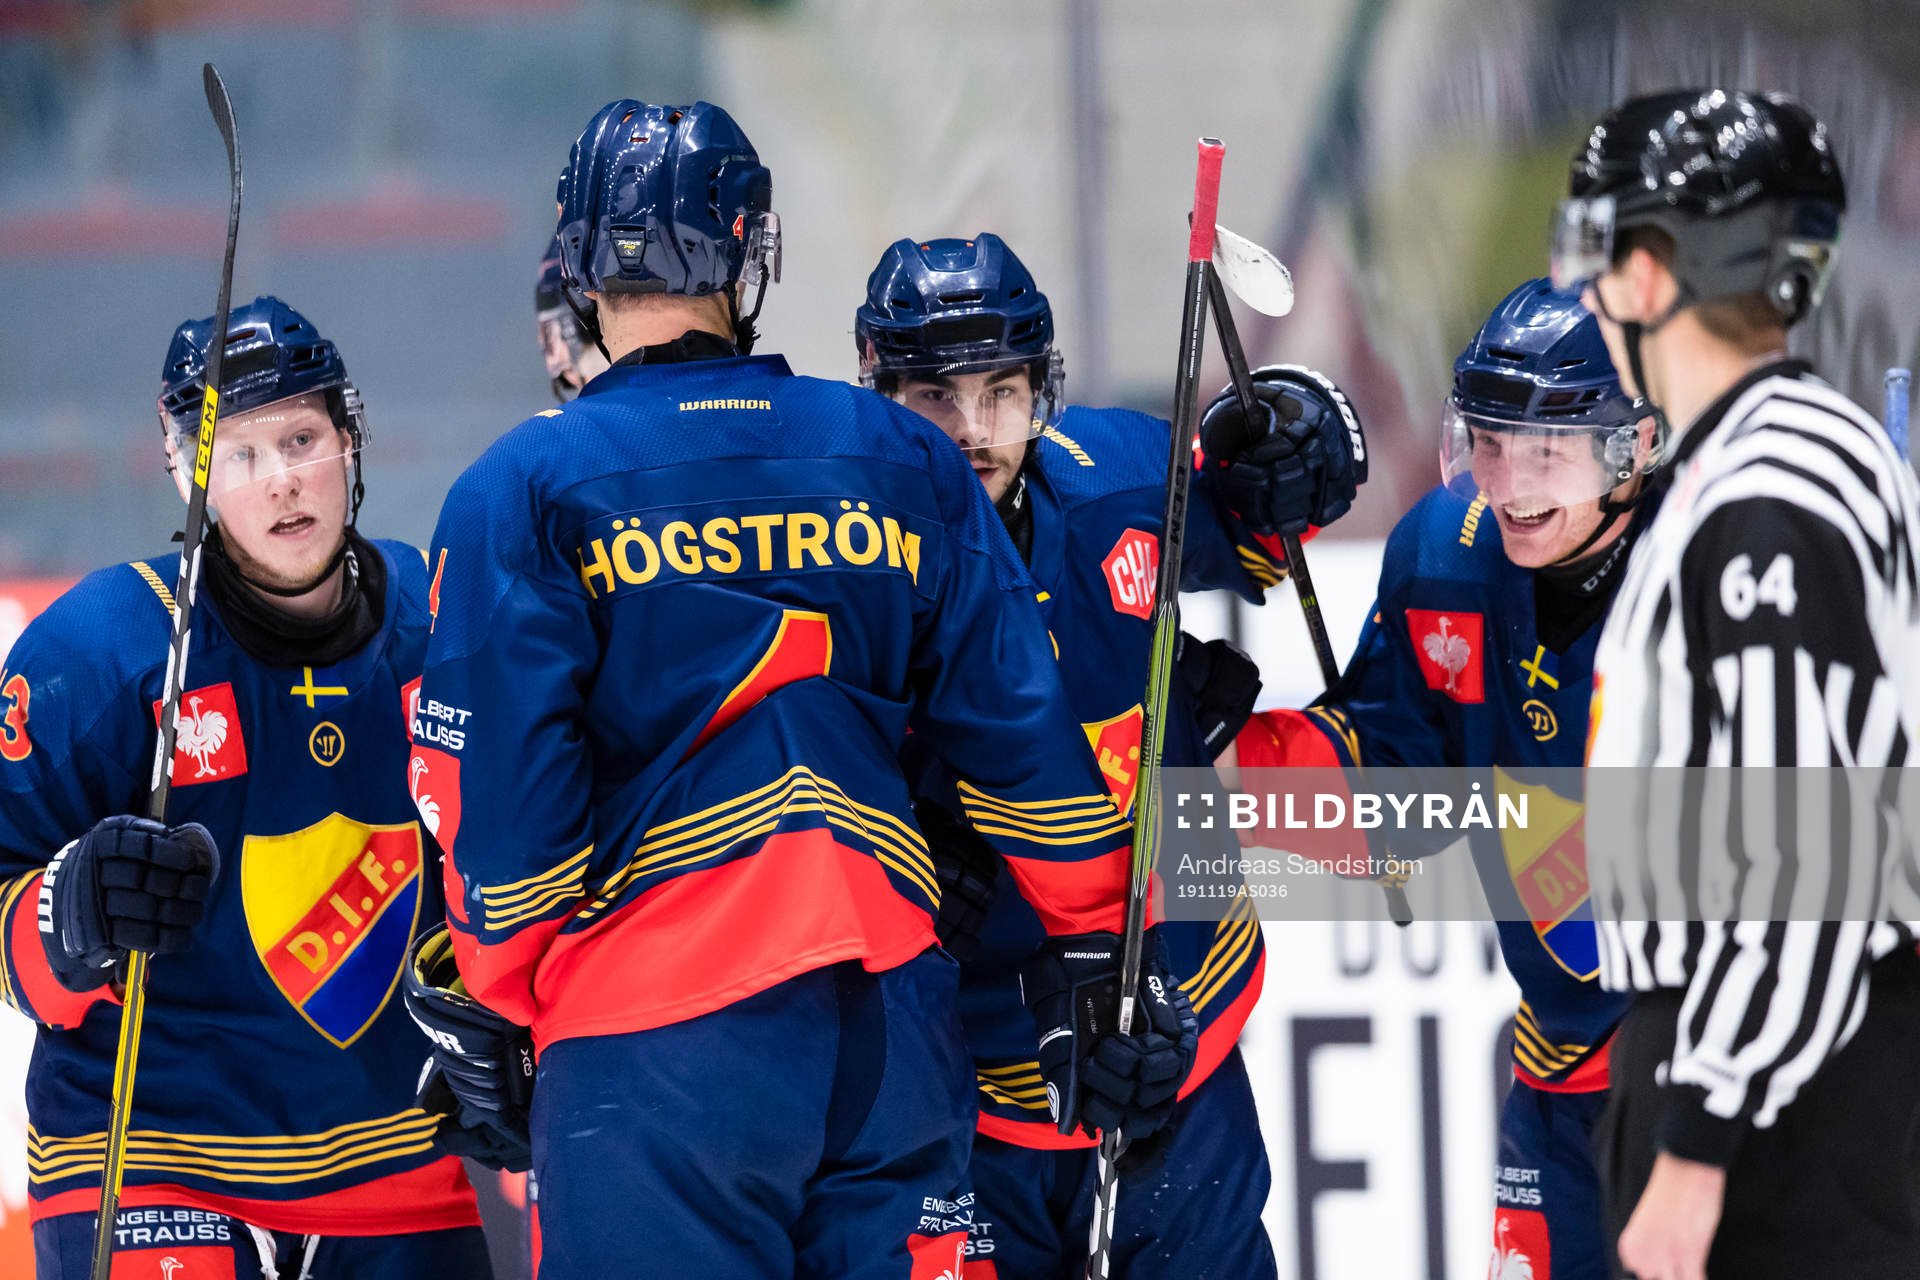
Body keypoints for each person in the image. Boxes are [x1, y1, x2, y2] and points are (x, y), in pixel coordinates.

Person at [405, 100, 1195, 1279]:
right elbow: (1024, 740)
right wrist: (1098, 948)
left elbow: (505, 811)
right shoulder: (898, 452)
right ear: (752, 252)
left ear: (577, 263)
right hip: (892, 1024)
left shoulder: (523, 485)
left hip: (650, 1036)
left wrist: (509, 999)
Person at [855, 232, 1347, 1278]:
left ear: (1042, 388)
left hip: (1182, 1033)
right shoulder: (842, 564)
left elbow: (1264, 510)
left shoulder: (1116, 479)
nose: (974, 431)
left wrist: (1297, 432)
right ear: (879, 392)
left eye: (1001, 393)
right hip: (968, 1087)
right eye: (936, 398)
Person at [0, 297, 489, 1278]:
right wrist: (66, 908)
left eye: (302, 438)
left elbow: (512, 863)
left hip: (395, 1170)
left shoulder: (439, 627)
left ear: (350, 437)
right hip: (149, 1165)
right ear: (190, 473)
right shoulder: (100, 652)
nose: (281, 480)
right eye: (241, 454)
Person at [1552, 88, 1920, 1280]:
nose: (1588, 298)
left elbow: (1807, 860)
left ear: (1651, 273)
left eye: (1598, 256)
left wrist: (1699, 1136)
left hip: (1779, 1104)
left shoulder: (1767, 496)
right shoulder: (1796, 452)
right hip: (1787, 1061)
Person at [1225, 280, 1662, 1280]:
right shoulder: (1443, 557)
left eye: (1546, 450)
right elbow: (1393, 792)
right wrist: (1232, 759)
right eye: (1489, 443)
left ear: (1630, 448)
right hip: (1560, 1076)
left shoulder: (1712, 566)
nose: (1508, 483)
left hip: (1720, 1076)